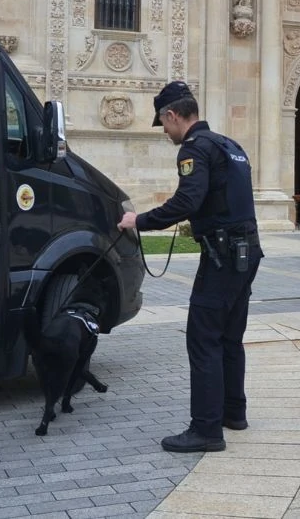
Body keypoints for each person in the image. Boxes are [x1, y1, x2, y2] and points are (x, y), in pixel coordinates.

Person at [117, 81, 263, 453]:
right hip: (246, 254)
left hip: (222, 256)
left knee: (203, 339)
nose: (165, 132)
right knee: (229, 336)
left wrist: (140, 220)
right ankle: (234, 412)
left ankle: (206, 430)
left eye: (163, 124)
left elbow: (188, 199)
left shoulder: (195, 148)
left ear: (172, 115)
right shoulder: (230, 146)